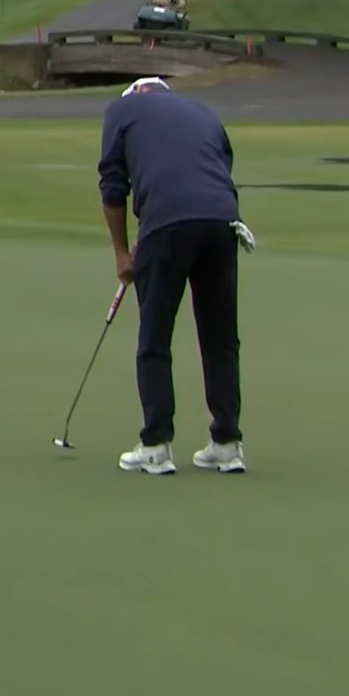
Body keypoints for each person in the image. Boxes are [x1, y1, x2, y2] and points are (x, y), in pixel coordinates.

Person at [97, 76, 257, 476]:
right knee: (221, 337)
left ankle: (155, 444)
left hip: (167, 224)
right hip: (223, 221)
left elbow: (113, 185)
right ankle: (227, 442)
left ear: (135, 93)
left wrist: (121, 252)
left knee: (154, 338)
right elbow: (219, 165)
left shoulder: (121, 110)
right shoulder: (203, 111)